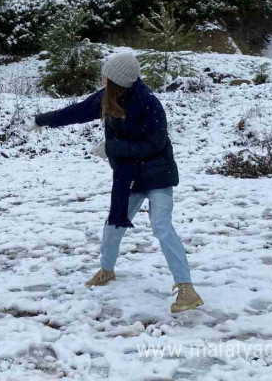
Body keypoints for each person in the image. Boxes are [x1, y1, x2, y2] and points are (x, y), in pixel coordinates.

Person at [29, 53, 203, 313]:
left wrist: (113, 147)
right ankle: (106, 270)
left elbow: (154, 144)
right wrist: (42, 120)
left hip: (157, 176)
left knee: (162, 227)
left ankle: (186, 289)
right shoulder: (107, 98)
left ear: (117, 80)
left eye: (106, 75)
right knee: (113, 225)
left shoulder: (150, 105)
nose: (103, 78)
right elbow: (77, 112)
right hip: (129, 177)